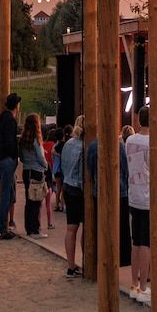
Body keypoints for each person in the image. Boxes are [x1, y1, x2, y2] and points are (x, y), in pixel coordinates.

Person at [124, 106, 153, 301]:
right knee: (146, 242)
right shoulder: (153, 143)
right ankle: (143, 286)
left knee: (135, 241)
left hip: (133, 193)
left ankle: (134, 283)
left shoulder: (129, 140)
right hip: (148, 196)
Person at [58, 119, 87, 277]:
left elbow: (63, 166)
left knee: (71, 228)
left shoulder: (68, 144)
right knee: (86, 228)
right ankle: (85, 261)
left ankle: (71, 265)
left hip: (68, 185)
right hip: (79, 189)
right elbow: (83, 172)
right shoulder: (84, 146)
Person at [0, 94, 21, 241]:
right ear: (16, 106)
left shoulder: (0, 118)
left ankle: (3, 226)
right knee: (5, 195)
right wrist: (14, 157)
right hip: (6, 161)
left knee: (8, 195)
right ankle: (1, 229)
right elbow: (10, 142)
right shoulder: (10, 120)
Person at [20, 113, 47, 236]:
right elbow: (40, 157)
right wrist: (46, 165)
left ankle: (29, 228)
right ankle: (35, 229)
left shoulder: (23, 140)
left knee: (29, 200)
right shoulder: (36, 140)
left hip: (26, 170)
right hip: (36, 170)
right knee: (36, 201)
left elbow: (22, 157)